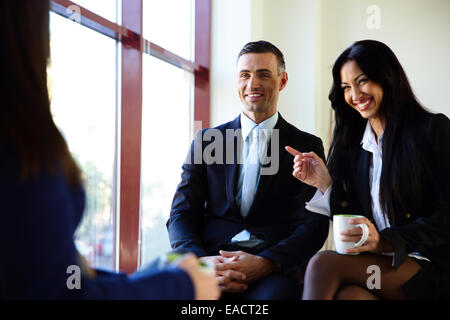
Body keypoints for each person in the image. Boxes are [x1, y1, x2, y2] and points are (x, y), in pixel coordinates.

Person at [0, 0, 219, 300]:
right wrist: (186, 279)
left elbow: (45, 273)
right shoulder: (23, 146)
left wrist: (165, 276)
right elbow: (181, 213)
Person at [286, 39, 450, 299]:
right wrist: (324, 183)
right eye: (346, 87)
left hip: (427, 266)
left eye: (362, 81)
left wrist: (387, 241)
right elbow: (358, 221)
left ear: (387, 77)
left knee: (322, 264)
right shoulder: (353, 146)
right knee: (349, 296)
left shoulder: (432, 130)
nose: (355, 95)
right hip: (377, 266)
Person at [167, 40, 329, 299]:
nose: (252, 84)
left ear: (282, 81)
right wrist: (199, 263)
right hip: (211, 260)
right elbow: (181, 214)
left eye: (264, 74)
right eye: (245, 75)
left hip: (271, 268)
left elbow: (314, 223)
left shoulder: (306, 145)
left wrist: (268, 262)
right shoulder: (207, 140)